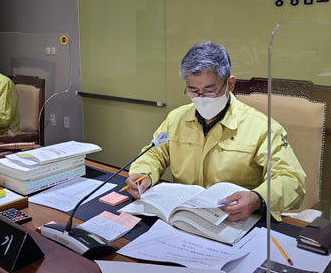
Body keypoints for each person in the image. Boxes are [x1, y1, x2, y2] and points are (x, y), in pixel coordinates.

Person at [125, 41, 306, 221]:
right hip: (184, 217)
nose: (201, 98)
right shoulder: (176, 119)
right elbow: (154, 153)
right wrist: (144, 174)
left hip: (234, 218)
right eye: (193, 91)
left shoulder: (262, 128)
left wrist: (257, 198)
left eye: (209, 90)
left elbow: (291, 179)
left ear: (230, 84)